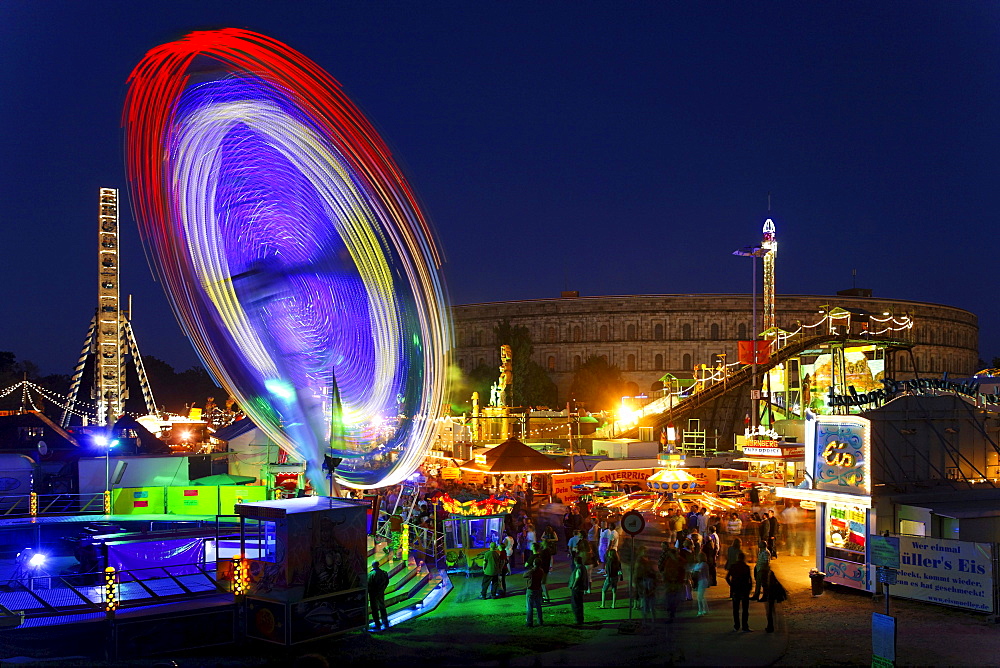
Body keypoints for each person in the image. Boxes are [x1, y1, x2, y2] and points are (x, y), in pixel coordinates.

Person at [725, 551, 753, 632]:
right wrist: (750, 588)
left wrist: (732, 585)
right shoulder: (746, 567)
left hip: (736, 589)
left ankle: (736, 626)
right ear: (744, 558)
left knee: (736, 609)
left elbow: (727, 577)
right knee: (745, 609)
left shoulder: (733, 566)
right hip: (744, 589)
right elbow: (749, 579)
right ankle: (745, 626)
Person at [659, 543, 687, 622]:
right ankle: (671, 613)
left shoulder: (679, 561)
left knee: (673, 598)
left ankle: (672, 613)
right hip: (670, 583)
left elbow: (682, 570)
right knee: (670, 598)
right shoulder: (670, 561)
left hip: (675, 582)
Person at [763, 568, 788, 632]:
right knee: (772, 611)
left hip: (771, 594)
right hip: (773, 594)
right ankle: (774, 626)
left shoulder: (769, 573)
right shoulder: (771, 573)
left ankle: (772, 627)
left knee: (770, 611)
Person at [367, 561, 390, 631]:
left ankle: (377, 623)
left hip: (373, 593)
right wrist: (382, 589)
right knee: (382, 606)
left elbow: (368, 584)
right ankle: (385, 621)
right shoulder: (384, 573)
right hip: (381, 592)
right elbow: (387, 582)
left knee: (374, 608)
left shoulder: (371, 574)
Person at [568, 554, 590, 625]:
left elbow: (577, 578)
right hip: (581, 588)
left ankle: (578, 619)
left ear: (575, 561)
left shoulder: (579, 568)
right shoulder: (583, 567)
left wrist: (573, 586)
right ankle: (580, 619)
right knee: (579, 603)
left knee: (576, 604)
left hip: (577, 588)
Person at [523, 560, 545, 627]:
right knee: (538, 606)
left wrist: (531, 569)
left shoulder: (532, 571)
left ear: (534, 563)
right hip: (538, 589)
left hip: (531, 589)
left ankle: (529, 622)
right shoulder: (541, 571)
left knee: (529, 606)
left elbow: (524, 575)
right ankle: (540, 620)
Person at [690, 542, 709, 616]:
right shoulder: (701, 564)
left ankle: (700, 611)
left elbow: (696, 570)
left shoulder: (703, 564)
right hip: (702, 581)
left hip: (702, 581)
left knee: (699, 597)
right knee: (702, 596)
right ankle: (705, 610)